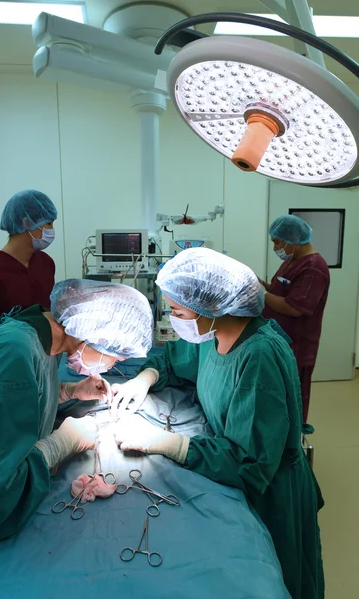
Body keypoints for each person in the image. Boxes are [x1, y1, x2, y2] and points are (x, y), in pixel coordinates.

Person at [112, 248, 324, 599]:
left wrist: (167, 443)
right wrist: (145, 378)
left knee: (276, 579)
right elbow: (176, 359)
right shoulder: (212, 334)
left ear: (212, 307)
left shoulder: (258, 356)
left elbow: (251, 462)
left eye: (178, 311)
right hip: (243, 471)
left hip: (271, 494)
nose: (174, 318)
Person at [0, 279, 153, 577]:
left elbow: (22, 397)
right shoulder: (15, 352)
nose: (110, 366)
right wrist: (62, 444)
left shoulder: (40, 336)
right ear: (94, 333)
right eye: (116, 357)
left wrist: (68, 391)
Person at [0, 189, 58, 354]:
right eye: (49, 223)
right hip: (9, 365)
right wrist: (1, 366)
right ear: (27, 223)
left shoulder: (45, 263)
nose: (52, 230)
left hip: (44, 358)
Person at [260, 215, 330, 422]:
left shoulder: (313, 268)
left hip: (297, 347)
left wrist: (261, 295)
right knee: (277, 399)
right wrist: (260, 285)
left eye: (277, 242)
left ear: (294, 239)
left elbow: (293, 307)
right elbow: (279, 291)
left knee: (292, 402)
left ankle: (292, 448)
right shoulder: (293, 261)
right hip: (280, 341)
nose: (275, 248)